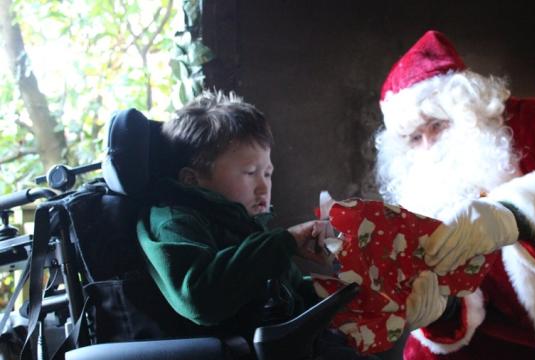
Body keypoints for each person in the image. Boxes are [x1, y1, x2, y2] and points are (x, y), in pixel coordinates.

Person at [374, 30, 535, 359]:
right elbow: (447, 310)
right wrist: (440, 312)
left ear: (464, 109)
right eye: (414, 138)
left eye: (438, 124)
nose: (429, 148)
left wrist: (511, 215)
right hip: (500, 338)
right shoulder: (421, 184)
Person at [136, 90, 377, 359]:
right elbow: (199, 297)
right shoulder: (173, 221)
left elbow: (289, 293)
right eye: (250, 173)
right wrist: (284, 242)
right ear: (192, 179)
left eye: (268, 173)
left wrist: (340, 291)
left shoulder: (243, 223)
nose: (264, 187)